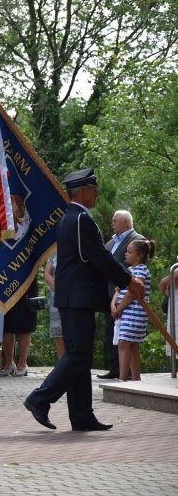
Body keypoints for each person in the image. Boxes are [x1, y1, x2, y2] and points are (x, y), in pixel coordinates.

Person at [24, 168, 144, 432]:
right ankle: (39, 398)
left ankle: (81, 415)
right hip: (77, 297)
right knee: (78, 355)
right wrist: (129, 280)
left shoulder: (75, 218)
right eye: (94, 189)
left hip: (76, 296)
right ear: (83, 192)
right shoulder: (79, 220)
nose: (97, 193)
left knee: (81, 356)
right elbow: (98, 256)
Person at [99, 210, 145, 379]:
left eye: (115, 220)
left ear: (126, 222)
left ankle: (128, 375)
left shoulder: (137, 239)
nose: (112, 223)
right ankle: (114, 369)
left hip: (128, 298)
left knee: (127, 339)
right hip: (111, 294)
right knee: (110, 330)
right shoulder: (110, 243)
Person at [111, 240, 154, 382]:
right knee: (132, 345)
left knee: (124, 342)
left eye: (129, 252)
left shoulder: (141, 270)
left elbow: (132, 293)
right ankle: (136, 378)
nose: (126, 254)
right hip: (125, 312)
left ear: (139, 255)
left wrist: (120, 309)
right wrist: (113, 304)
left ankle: (122, 378)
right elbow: (119, 289)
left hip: (135, 312)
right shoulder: (129, 271)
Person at [1, 278, 38, 377]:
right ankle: (9, 364)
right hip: (6, 286)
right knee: (6, 327)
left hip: (26, 286)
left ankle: (22, 364)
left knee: (24, 328)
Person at [43, 251, 65, 359]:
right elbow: (47, 273)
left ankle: (72, 362)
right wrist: (55, 285)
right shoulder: (53, 251)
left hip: (73, 294)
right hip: (55, 295)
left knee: (71, 329)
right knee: (58, 330)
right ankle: (62, 363)